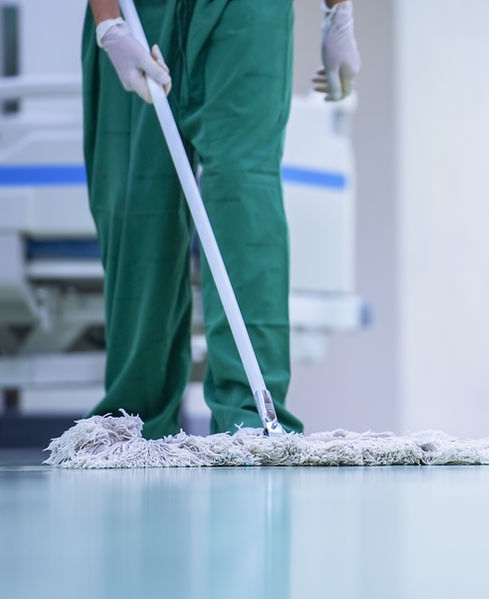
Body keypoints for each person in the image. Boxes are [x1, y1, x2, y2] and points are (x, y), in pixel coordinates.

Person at [84, 0, 360, 438]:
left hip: (248, 12)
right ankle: (132, 420)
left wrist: (338, 12)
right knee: (140, 204)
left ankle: (252, 418)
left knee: (243, 195)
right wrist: (108, 23)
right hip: (138, 11)